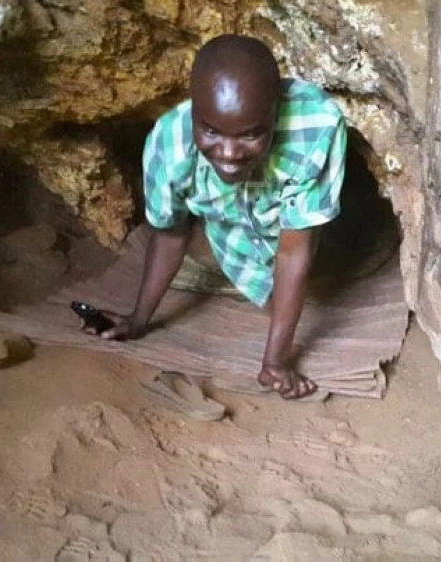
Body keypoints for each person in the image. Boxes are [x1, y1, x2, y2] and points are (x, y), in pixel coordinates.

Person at [88, 34, 347, 401]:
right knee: (278, 303)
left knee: (327, 281)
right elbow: (170, 235)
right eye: (210, 130)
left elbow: (295, 252)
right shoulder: (169, 144)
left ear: (277, 110)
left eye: (251, 134)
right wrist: (137, 320)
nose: (228, 153)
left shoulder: (315, 127)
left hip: (303, 231)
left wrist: (275, 360)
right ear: (193, 109)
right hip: (231, 240)